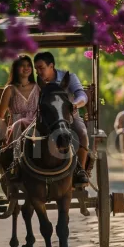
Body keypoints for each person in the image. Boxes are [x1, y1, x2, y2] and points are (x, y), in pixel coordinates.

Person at [33, 51, 90, 186]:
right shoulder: (37, 82)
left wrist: (74, 104)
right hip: (45, 119)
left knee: (82, 133)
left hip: (68, 116)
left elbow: (82, 95)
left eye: (41, 68)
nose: (38, 72)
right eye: (36, 69)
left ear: (51, 66)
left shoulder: (69, 78)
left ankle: (80, 170)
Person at [0, 55, 39, 145]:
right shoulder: (10, 89)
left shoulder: (38, 87)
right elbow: (0, 116)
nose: (26, 68)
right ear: (16, 68)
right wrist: (2, 136)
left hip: (36, 127)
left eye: (28, 65)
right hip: (16, 130)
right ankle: (13, 154)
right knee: (20, 123)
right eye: (22, 65)